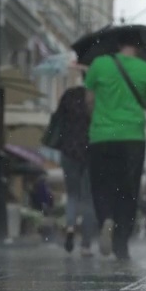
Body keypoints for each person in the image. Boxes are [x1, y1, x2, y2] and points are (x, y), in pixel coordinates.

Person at [84, 31, 146, 260]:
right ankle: (121, 244)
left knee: (101, 185)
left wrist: (98, 117)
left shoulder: (99, 64)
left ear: (118, 44)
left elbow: (88, 100)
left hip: (102, 136)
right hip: (132, 138)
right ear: (138, 47)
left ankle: (106, 218)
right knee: (128, 191)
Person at [57, 86, 98, 257]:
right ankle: (86, 245)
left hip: (69, 151)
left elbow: (59, 119)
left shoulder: (69, 95)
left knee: (72, 194)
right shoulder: (97, 97)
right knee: (88, 198)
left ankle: (71, 226)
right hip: (90, 151)